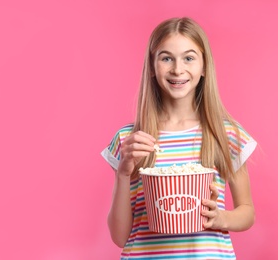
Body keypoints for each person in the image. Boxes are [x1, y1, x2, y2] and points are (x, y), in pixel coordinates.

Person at [101, 17, 257, 259]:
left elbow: (247, 212)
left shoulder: (226, 135)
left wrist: (220, 217)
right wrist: (123, 173)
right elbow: (120, 236)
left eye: (189, 58)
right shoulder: (129, 139)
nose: (177, 69)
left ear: (204, 66)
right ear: (152, 67)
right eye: (166, 58)